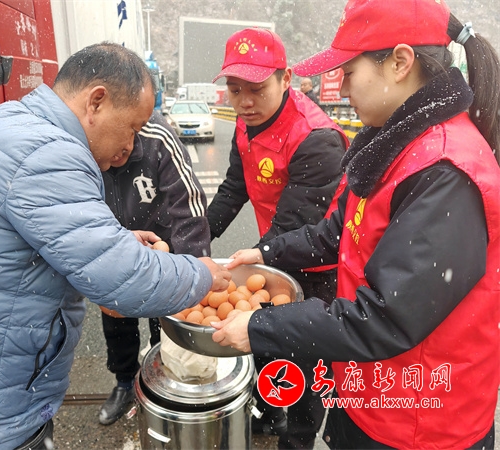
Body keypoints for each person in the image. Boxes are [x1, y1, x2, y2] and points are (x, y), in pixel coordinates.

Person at [0, 42, 231, 450]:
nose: (131, 146)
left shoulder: (14, 125)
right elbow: (122, 279)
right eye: (131, 128)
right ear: (96, 102)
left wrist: (118, 241)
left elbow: (32, 239)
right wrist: (201, 274)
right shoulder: (47, 154)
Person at [212, 0, 500, 448]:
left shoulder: (445, 171)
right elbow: (339, 231)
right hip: (371, 387)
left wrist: (259, 327)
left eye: (348, 72)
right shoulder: (394, 143)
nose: (342, 88)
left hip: (419, 419)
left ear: (400, 62)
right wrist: (266, 252)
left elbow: (386, 316)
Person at [208, 27, 348, 449]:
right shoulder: (245, 123)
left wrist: (250, 262)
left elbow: (295, 224)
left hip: (318, 262)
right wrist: (194, 243)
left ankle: (298, 438)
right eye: (235, 90)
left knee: (305, 357)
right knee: (268, 344)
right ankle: (269, 415)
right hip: (274, 250)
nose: (245, 102)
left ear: (286, 79)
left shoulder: (315, 138)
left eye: (257, 89)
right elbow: (233, 189)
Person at [98, 110, 211, 425]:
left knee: (166, 321)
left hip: (163, 245)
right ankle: (124, 382)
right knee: (116, 322)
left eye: (129, 136)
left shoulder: (157, 137)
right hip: (114, 246)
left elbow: (189, 204)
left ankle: (164, 379)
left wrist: (194, 272)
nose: (122, 150)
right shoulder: (83, 143)